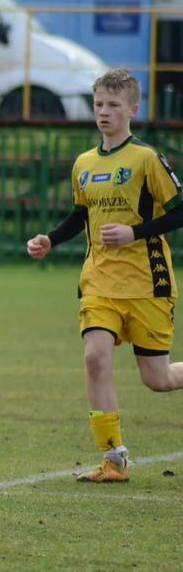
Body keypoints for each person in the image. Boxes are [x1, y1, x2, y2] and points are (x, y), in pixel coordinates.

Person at [27, 68, 183, 483]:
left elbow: (181, 211)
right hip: (98, 281)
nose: (104, 112)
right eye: (98, 104)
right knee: (96, 358)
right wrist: (51, 240)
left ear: (133, 109)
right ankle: (114, 459)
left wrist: (134, 232)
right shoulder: (84, 163)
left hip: (149, 282)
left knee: (158, 379)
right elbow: (82, 214)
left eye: (113, 105)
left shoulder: (146, 159)